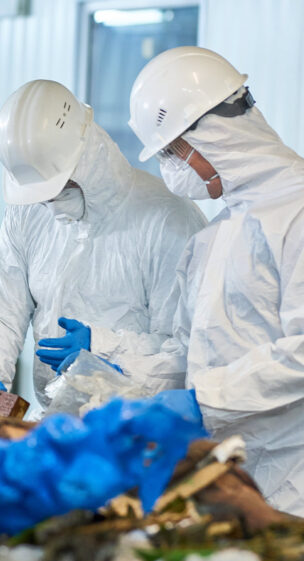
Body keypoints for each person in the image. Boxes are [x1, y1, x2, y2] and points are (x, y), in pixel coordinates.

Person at [120, 46, 304, 516]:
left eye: (170, 154)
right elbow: (191, 351)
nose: (170, 170)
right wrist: (111, 365)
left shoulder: (297, 212)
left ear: (211, 138)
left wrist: (204, 402)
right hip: (229, 478)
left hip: (294, 485)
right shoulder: (217, 235)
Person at [0, 79, 206, 419]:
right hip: (53, 424)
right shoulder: (28, 209)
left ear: (87, 159)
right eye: (40, 194)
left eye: (59, 189)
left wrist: (104, 350)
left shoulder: (168, 220)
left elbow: (187, 351)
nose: (49, 204)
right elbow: (1, 308)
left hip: (136, 430)